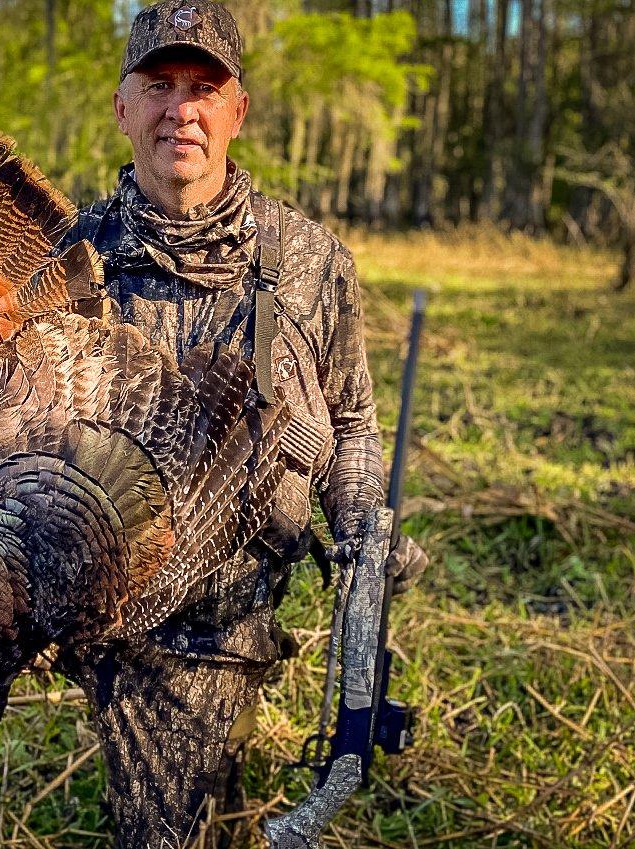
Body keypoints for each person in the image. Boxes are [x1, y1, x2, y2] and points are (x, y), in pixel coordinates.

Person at [52, 2, 429, 846]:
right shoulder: (68, 255)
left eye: (203, 88)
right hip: (61, 575)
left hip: (205, 621)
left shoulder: (310, 262)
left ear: (237, 112)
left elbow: (354, 421)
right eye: (159, 86)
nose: (180, 109)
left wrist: (364, 527)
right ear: (123, 107)